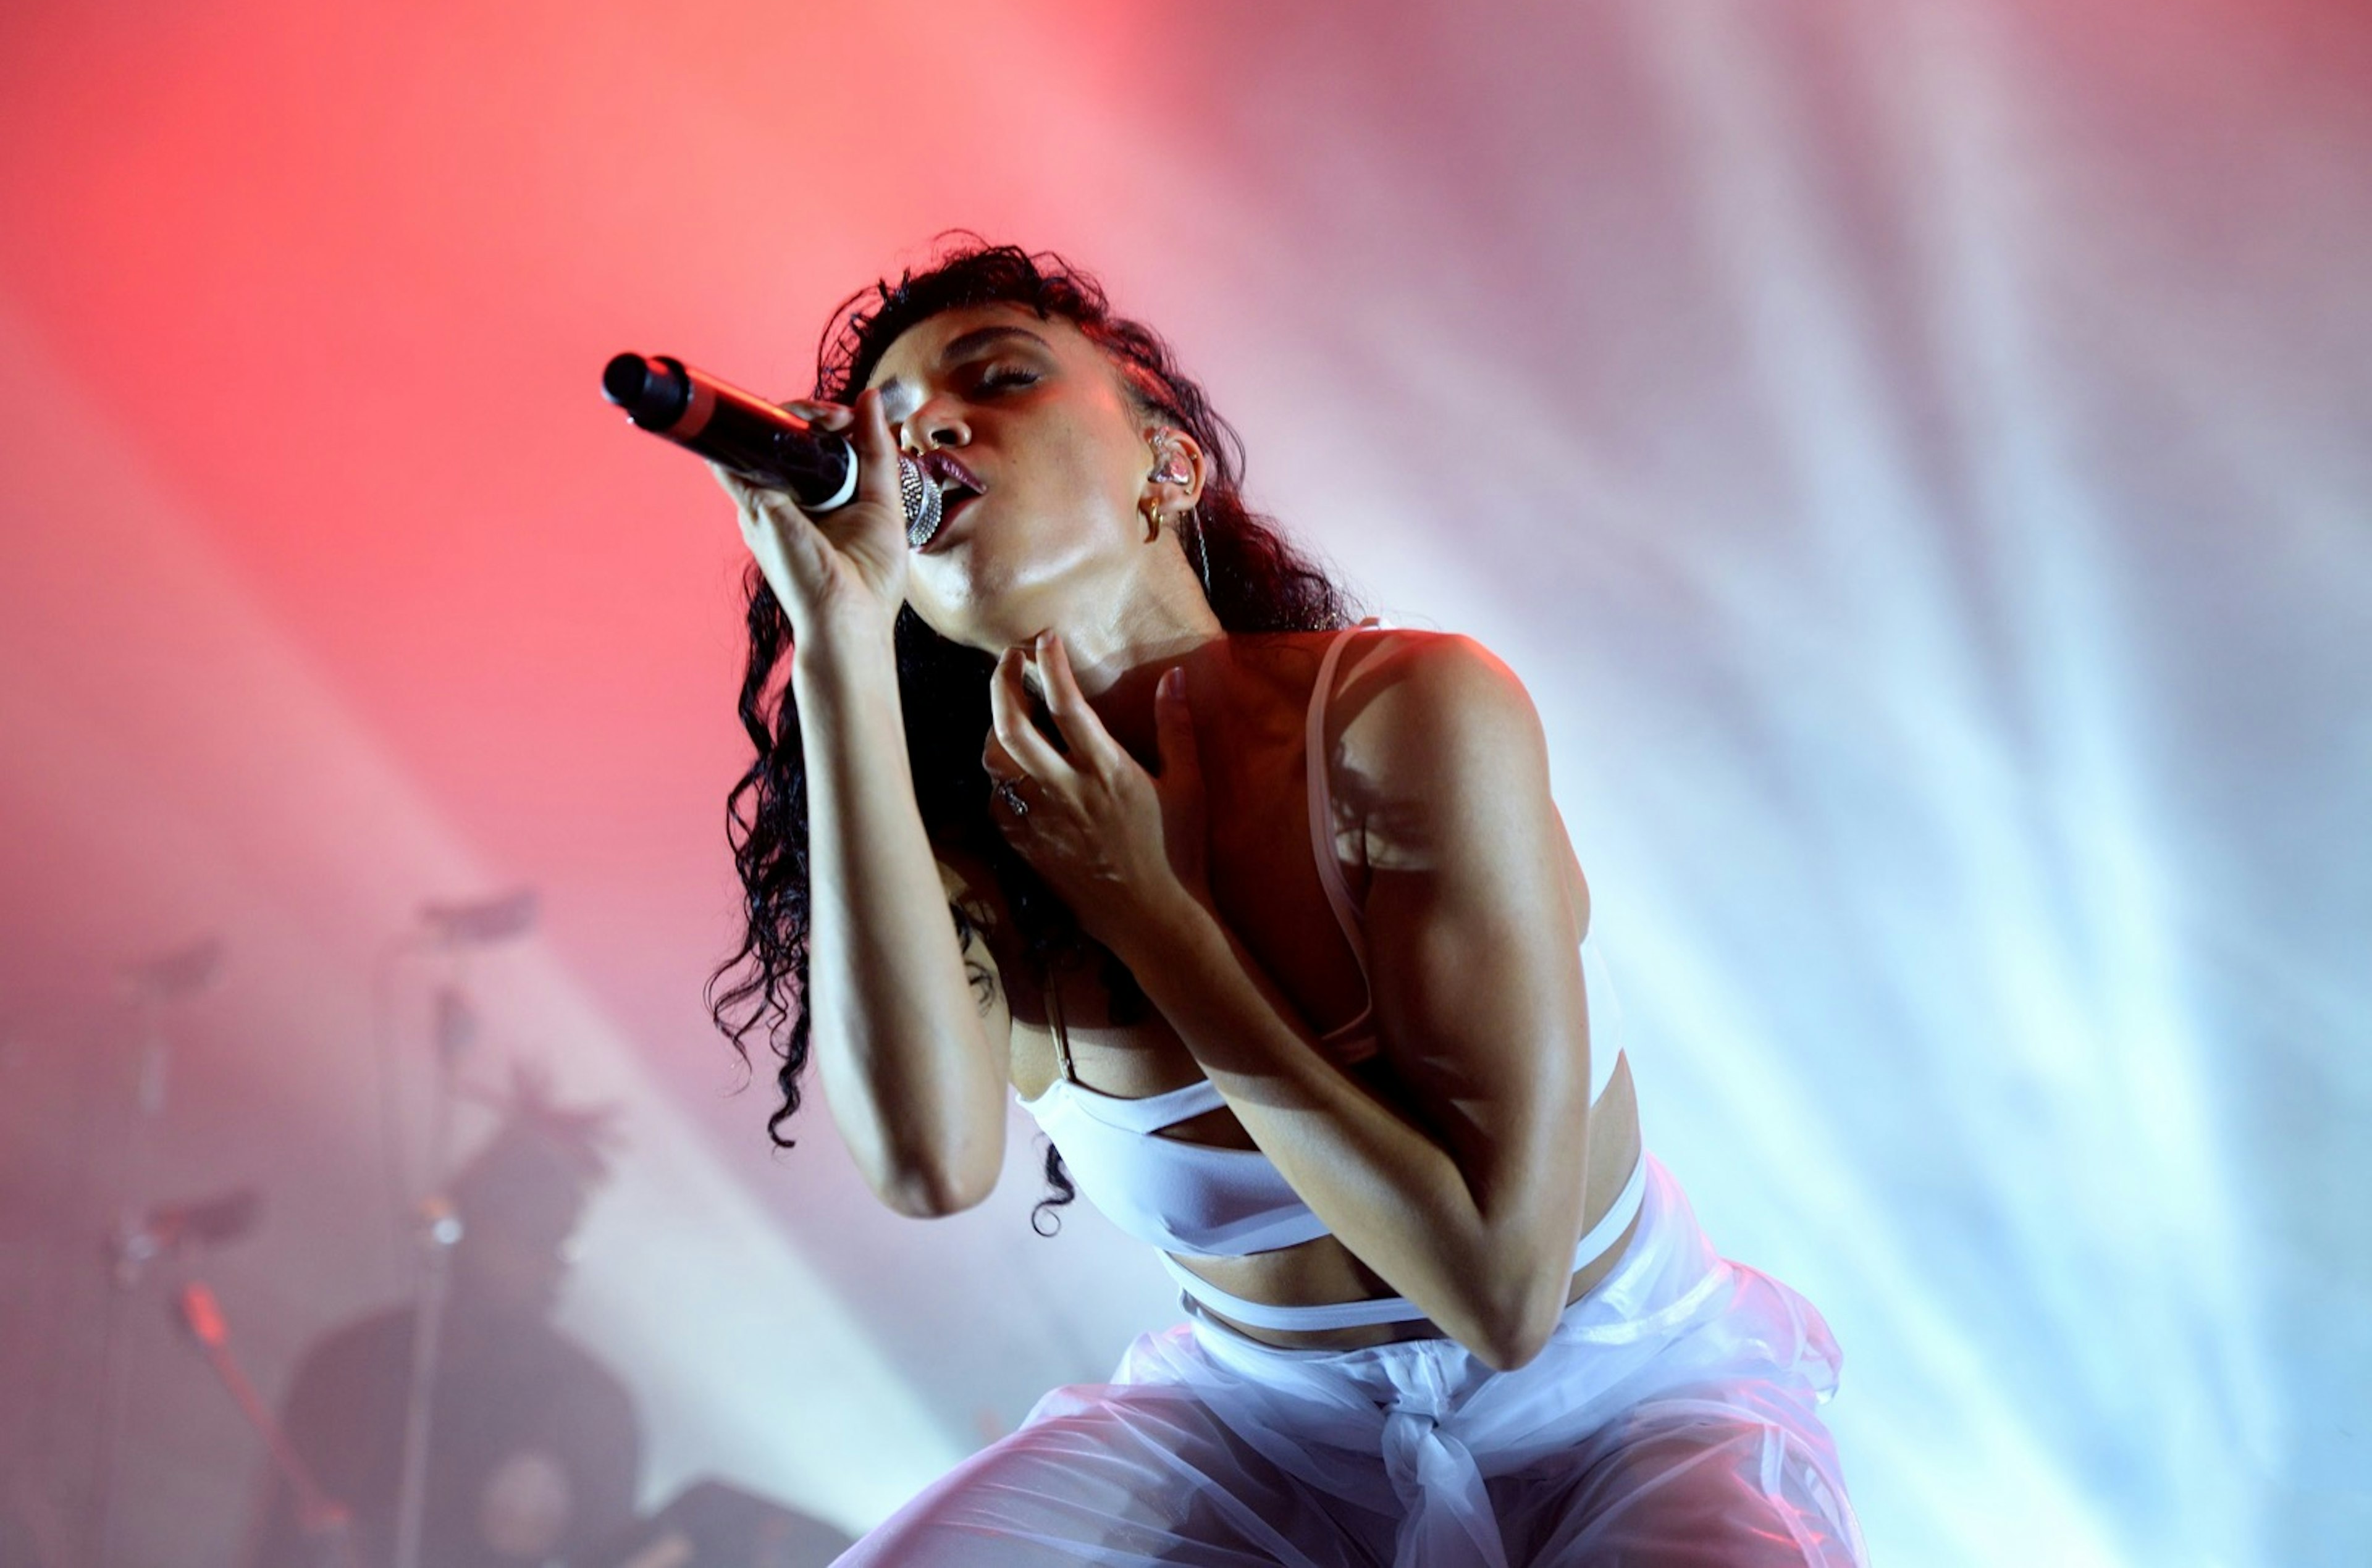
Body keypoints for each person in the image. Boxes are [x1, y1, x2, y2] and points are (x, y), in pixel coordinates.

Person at [709, 239, 1865, 1566]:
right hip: (1260, 1431)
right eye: (896, 427)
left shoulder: (1406, 713)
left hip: (1618, 1405)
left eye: (1000, 378)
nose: (935, 432)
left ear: (1168, 464)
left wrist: (1149, 910)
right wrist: (840, 641)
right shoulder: (972, 855)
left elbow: (1500, 1289)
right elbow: (926, 1165)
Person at [248, 1083, 641, 1568]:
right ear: (466, 1229)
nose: (552, 1265)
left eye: (562, 1242)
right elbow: (278, 1545)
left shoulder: (595, 1408)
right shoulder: (351, 1365)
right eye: (532, 1238)